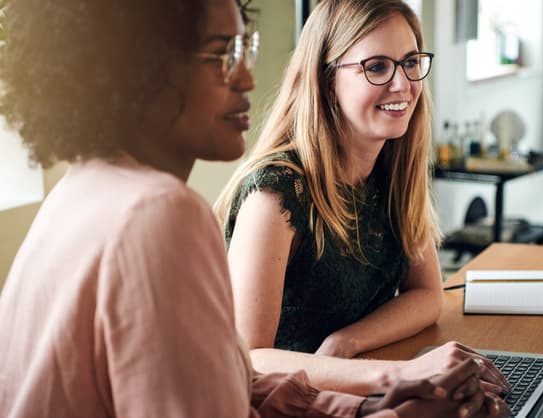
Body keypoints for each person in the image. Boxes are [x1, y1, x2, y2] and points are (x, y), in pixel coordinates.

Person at [0, 0, 508, 417]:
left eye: (245, 49)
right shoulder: (159, 213)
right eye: (222, 54)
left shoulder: (81, 187)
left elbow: (234, 387)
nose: (246, 78)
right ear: (141, 68)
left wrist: (374, 407)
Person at [214, 0, 510, 398]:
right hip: (293, 403)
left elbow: (426, 295)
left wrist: (346, 343)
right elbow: (248, 357)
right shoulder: (276, 193)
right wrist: (399, 374)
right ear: (325, 79)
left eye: (409, 62)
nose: (403, 84)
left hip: (355, 389)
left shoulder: (393, 164)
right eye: (376, 67)